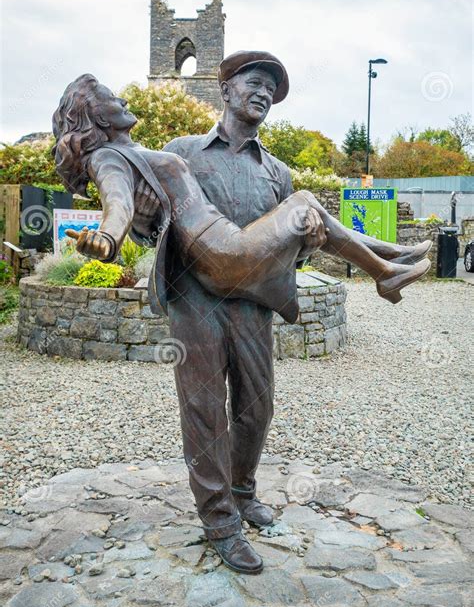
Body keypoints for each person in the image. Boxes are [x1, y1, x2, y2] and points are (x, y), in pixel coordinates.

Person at [52, 61, 430, 574]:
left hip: (250, 299)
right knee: (205, 410)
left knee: (256, 410)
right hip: (197, 300)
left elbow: (288, 252)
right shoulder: (180, 150)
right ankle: (220, 521)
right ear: (225, 90)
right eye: (254, 83)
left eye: (271, 88)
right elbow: (132, 211)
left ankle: (243, 490)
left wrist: (306, 243)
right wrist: (116, 232)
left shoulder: (277, 171)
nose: (264, 93)